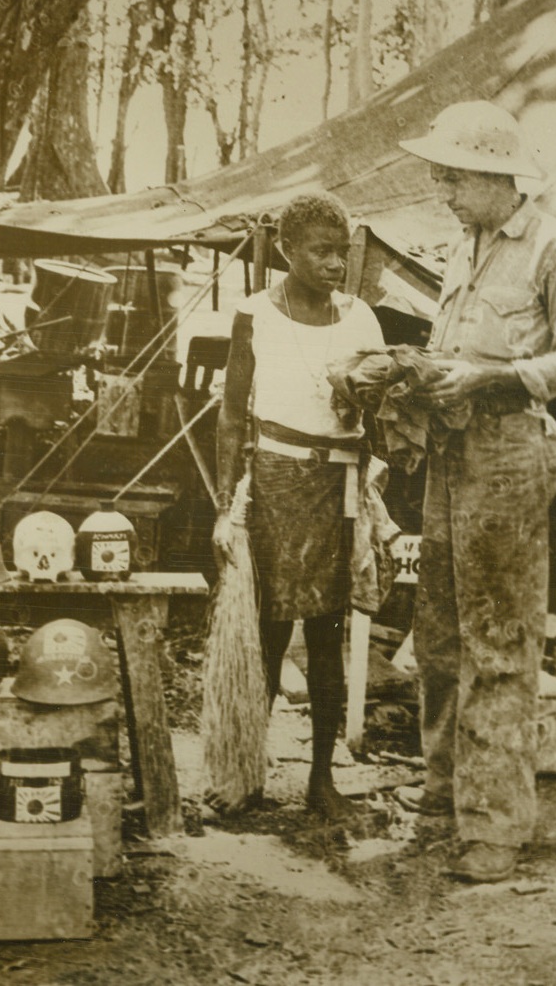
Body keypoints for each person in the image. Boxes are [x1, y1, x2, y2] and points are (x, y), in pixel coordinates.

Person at [396, 100, 556, 883]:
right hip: (449, 452)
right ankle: (443, 795)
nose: (441, 186)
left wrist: (493, 378)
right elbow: (452, 344)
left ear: (499, 176)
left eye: (454, 174)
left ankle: (497, 825)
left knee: (500, 640)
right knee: (438, 633)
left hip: (508, 455)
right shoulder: (463, 245)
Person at [213, 191, 385, 820]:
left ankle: (321, 781)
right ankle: (245, 773)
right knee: (266, 632)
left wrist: (370, 402)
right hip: (275, 483)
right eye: (322, 251)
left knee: (326, 634)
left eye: (342, 252)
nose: (337, 264)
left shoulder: (362, 317)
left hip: (338, 483)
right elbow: (232, 417)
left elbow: (376, 413)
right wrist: (224, 502)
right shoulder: (255, 314)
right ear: (287, 250)